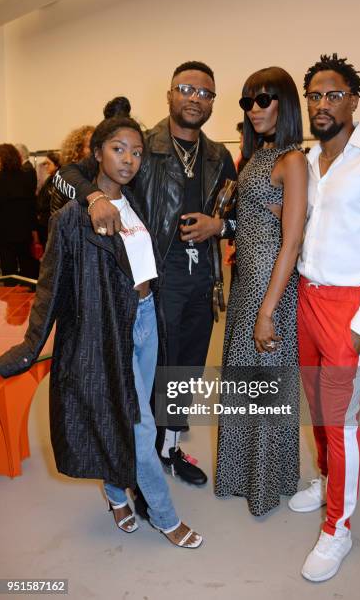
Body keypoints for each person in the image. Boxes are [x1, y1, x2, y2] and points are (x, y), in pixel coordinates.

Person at [0, 115, 202, 549]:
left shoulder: (135, 203)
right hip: (111, 332)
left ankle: (115, 494)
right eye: (117, 149)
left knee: (124, 421)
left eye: (136, 151)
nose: (129, 159)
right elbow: (50, 289)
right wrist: (28, 348)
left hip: (148, 322)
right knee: (141, 428)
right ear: (97, 153)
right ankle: (166, 518)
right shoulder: (74, 218)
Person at [52, 61, 237, 486]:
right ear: (170, 94)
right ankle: (138, 461)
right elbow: (67, 176)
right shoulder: (142, 144)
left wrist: (219, 228)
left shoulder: (218, 155)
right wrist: (95, 196)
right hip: (150, 284)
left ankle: (169, 449)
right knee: (142, 381)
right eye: (186, 88)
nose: (195, 98)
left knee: (185, 372)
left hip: (202, 284)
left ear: (212, 102)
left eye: (205, 92)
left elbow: (240, 213)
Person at [288, 54, 360, 582]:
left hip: (349, 307)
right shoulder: (309, 160)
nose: (322, 103)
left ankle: (339, 527)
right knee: (315, 405)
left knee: (342, 420)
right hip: (307, 298)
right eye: (314, 95)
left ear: (354, 99)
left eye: (333, 94)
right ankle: (325, 477)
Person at [214, 67, 307, 516]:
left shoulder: (292, 159)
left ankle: (266, 483)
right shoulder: (259, 154)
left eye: (263, 99)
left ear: (284, 103)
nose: (253, 109)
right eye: (247, 101)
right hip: (247, 281)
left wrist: (267, 310)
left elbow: (291, 240)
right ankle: (239, 474)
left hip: (268, 288)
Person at [0, 143, 39, 278]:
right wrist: (34, 232)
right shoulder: (26, 177)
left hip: (4, 233)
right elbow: (32, 207)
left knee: (8, 271)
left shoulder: (0, 179)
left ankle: (11, 298)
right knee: (28, 268)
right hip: (24, 231)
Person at [50, 124, 94, 214]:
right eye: (91, 146)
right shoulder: (64, 178)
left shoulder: (99, 176)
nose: (96, 150)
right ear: (78, 149)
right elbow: (57, 216)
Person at [36, 152, 61, 247]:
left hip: (51, 223)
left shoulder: (59, 180)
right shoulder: (50, 178)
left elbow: (52, 202)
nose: (45, 166)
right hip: (45, 222)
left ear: (56, 165)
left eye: (48, 163)